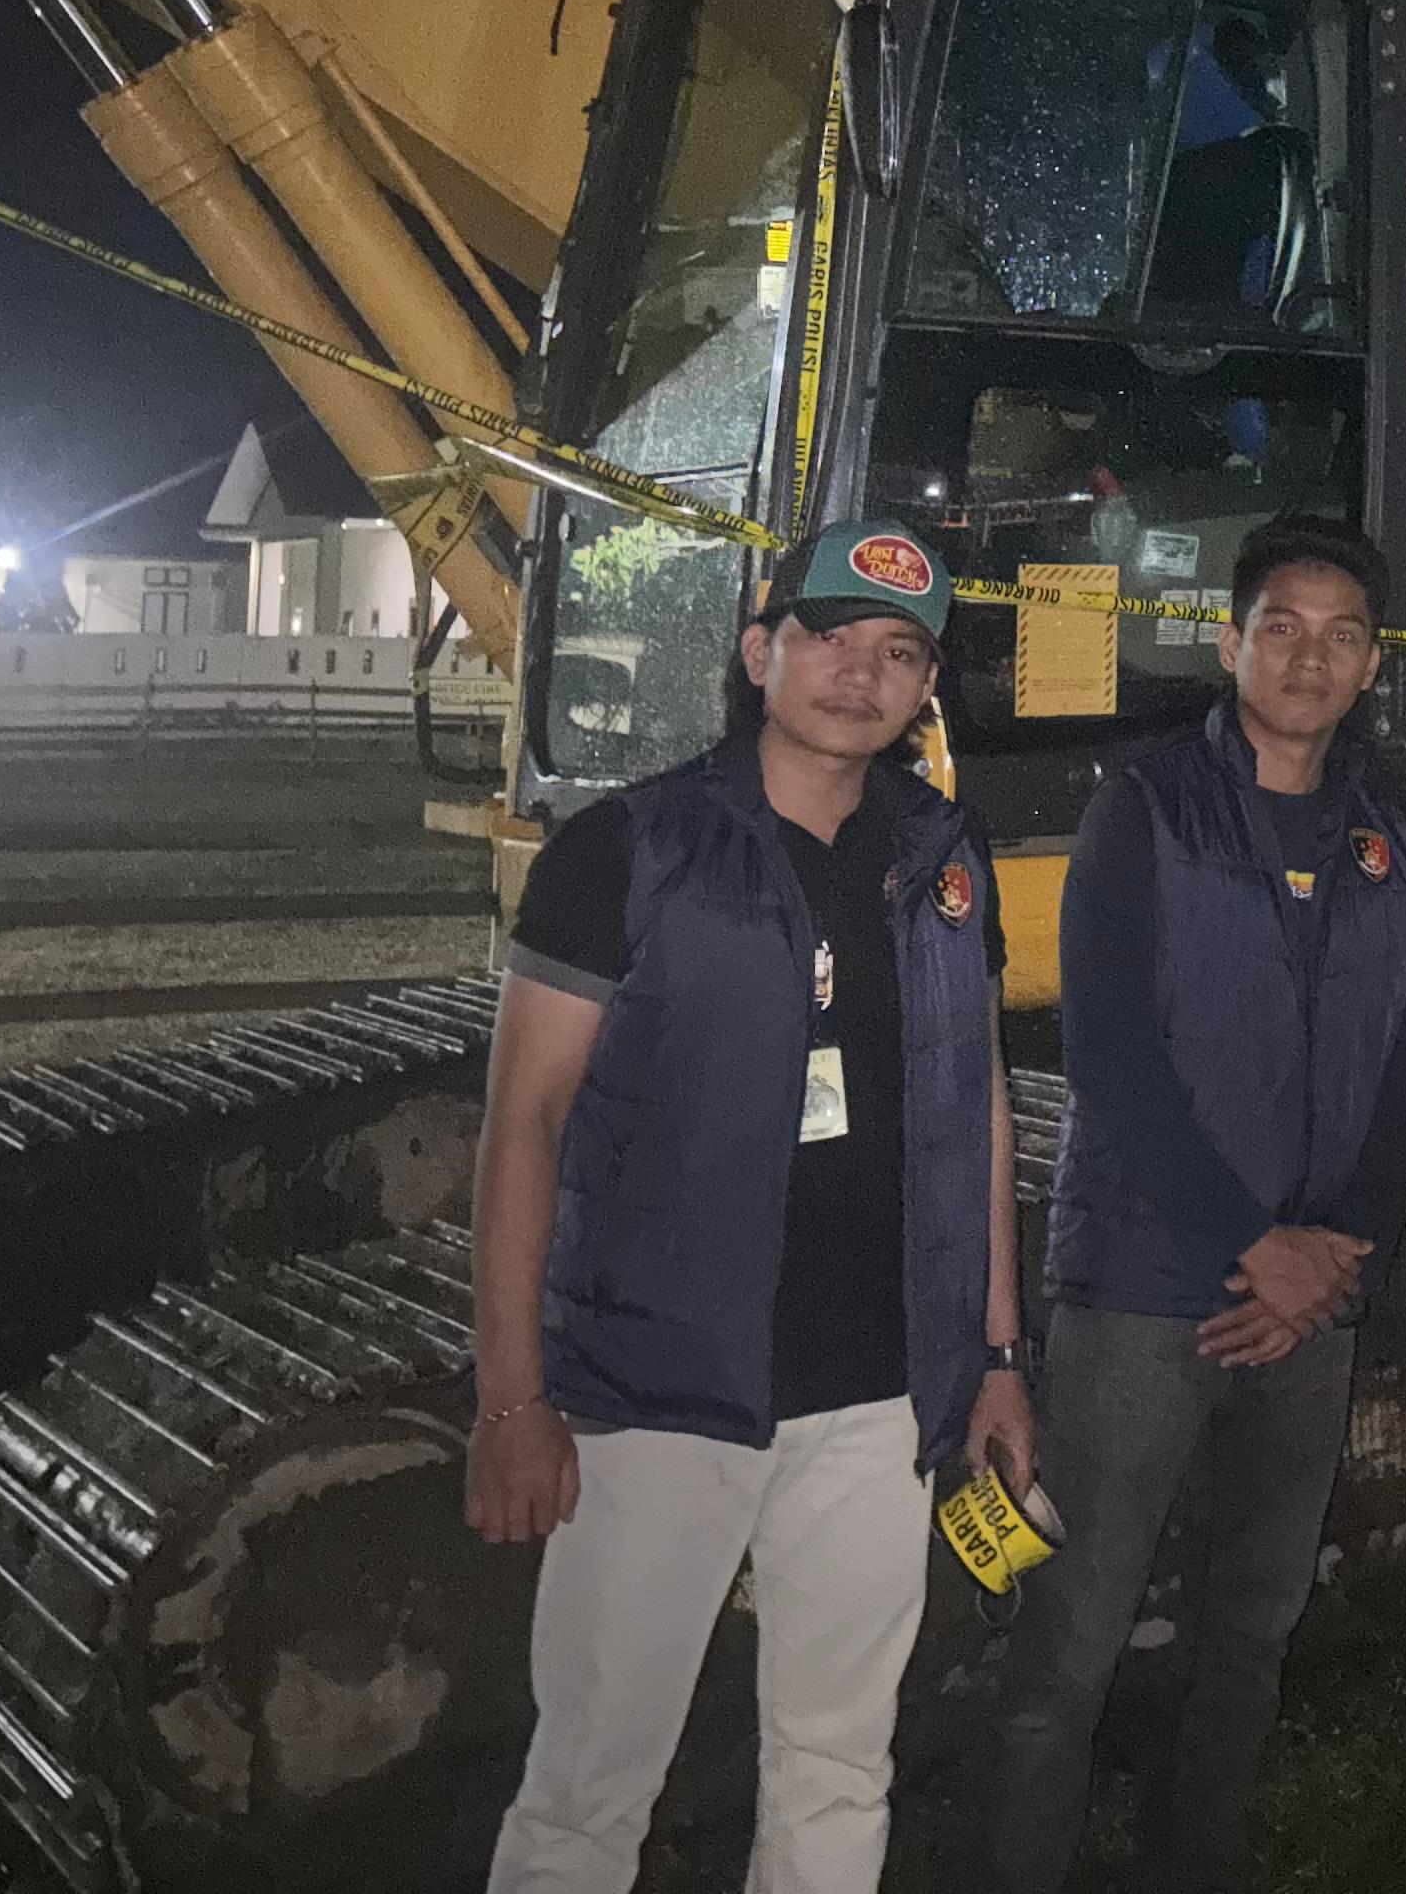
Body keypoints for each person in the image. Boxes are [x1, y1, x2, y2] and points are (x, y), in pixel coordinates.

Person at [469, 520, 1030, 1894]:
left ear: (925, 690)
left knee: (841, 1759)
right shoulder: (626, 848)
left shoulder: (943, 860)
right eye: (829, 637)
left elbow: (980, 1107)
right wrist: (512, 1400)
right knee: (592, 1778)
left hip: (877, 1396)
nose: (859, 674)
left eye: (899, 653)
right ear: (759, 650)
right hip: (661, 1393)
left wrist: (996, 1354)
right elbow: (523, 1123)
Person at [986, 512, 1406, 1890]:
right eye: (1282, 628)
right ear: (1229, 642)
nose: (1311, 658)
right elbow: (1111, 1052)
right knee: (1067, 1646)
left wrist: (1340, 1261)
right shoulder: (1144, 807)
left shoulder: (1386, 836)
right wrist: (1255, 1247)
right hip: (1142, 1292)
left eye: (1343, 635)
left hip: (1314, 1305)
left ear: (1372, 663)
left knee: (1252, 1629)